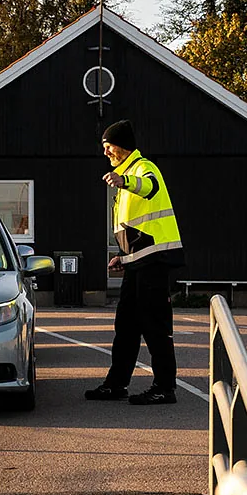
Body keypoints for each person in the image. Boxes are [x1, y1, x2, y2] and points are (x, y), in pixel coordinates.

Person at [85, 119, 184, 405]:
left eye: (108, 147)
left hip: (154, 260)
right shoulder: (126, 173)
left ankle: (165, 388)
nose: (105, 153)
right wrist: (124, 256)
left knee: (155, 325)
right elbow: (137, 227)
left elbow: (149, 187)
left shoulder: (142, 169)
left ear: (123, 145)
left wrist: (124, 181)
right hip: (138, 261)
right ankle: (116, 384)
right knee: (126, 325)